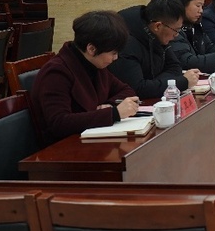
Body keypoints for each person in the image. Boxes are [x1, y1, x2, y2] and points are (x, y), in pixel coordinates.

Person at [30, 10, 139, 147]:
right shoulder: (56, 72)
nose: (115, 58)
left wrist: (109, 105)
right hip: (64, 148)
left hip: (90, 140)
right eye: (113, 53)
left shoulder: (94, 64)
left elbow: (126, 90)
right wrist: (113, 114)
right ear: (91, 49)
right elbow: (59, 122)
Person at [109, 0, 200, 99]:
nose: (176, 35)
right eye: (176, 30)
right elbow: (137, 89)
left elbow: (175, 67)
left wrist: (154, 84)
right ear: (158, 26)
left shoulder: (159, 35)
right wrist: (181, 82)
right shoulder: (126, 43)